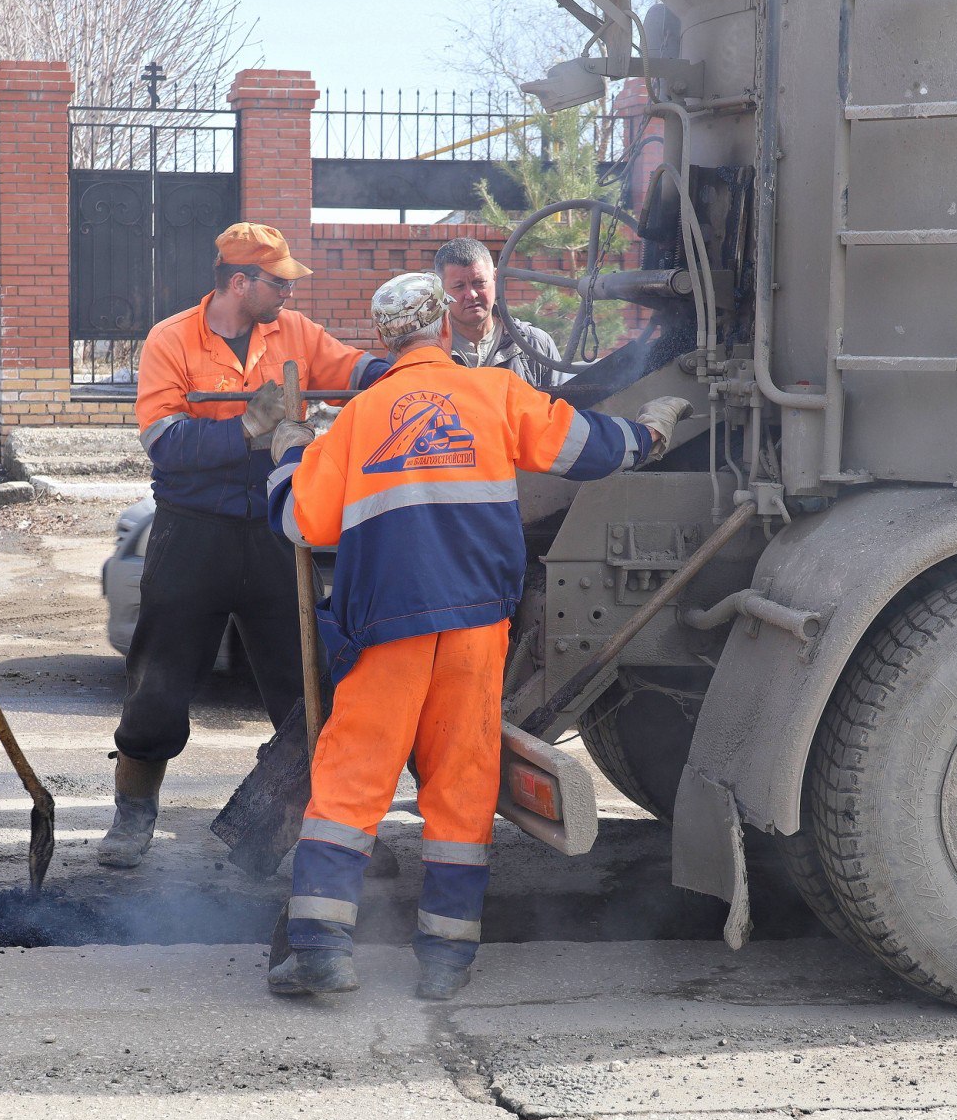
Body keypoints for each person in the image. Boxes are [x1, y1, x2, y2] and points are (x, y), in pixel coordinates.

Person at [264, 272, 690, 1000]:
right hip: (475, 626)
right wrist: (650, 432)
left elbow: (302, 523)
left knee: (352, 782)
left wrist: (285, 452)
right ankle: (446, 958)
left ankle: (321, 951)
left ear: (385, 340)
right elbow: (588, 449)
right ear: (442, 331)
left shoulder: (362, 418)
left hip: (387, 624)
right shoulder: (494, 395)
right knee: (462, 785)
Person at [102, 223, 390, 869]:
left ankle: (329, 826)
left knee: (303, 682)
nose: (288, 291)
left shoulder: (294, 333)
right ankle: (134, 816)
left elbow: (351, 367)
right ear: (240, 281)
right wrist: (247, 428)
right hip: (191, 535)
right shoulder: (170, 339)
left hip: (273, 532)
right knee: (158, 683)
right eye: (278, 281)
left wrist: (404, 368)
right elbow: (166, 444)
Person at [433, 236, 558, 385]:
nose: (471, 295)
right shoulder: (427, 349)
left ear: (496, 278)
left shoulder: (534, 345)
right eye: (459, 286)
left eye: (479, 283)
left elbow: (566, 404)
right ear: (440, 290)